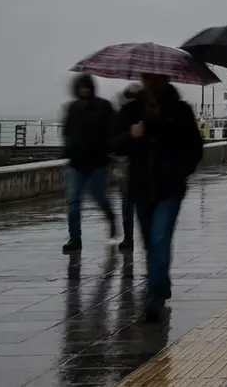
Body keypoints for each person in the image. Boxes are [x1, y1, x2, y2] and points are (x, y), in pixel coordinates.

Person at [114, 73, 203, 323]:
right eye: (147, 78)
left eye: (157, 78)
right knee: (150, 245)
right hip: (141, 189)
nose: (152, 83)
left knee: (160, 239)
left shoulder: (180, 110)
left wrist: (180, 171)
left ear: (166, 80)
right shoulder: (132, 111)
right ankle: (161, 284)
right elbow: (114, 144)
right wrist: (130, 136)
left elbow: (196, 148)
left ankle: (153, 297)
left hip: (170, 189)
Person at [61, 74, 119, 254]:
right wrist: (70, 147)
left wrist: (107, 149)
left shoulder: (103, 107)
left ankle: (110, 218)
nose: (84, 90)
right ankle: (75, 239)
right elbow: (67, 131)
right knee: (73, 201)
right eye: (81, 87)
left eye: (87, 86)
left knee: (99, 197)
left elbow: (113, 130)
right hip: (77, 163)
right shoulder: (73, 108)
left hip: (98, 163)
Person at [113, 83, 142, 252]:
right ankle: (128, 238)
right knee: (127, 204)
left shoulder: (151, 114)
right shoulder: (122, 115)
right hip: (127, 166)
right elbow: (115, 144)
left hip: (146, 168)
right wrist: (130, 134)